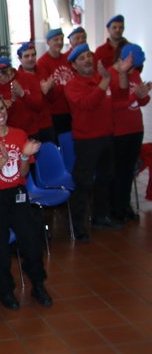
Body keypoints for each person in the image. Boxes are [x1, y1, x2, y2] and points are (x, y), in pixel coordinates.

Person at [0, 89, 52, 310]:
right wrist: (3, 160)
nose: (0, 115)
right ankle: (5, 290)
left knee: (31, 240)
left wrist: (24, 155)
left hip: (17, 193)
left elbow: (23, 173)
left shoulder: (19, 134)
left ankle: (38, 284)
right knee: (0, 246)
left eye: (2, 109)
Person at [65, 44, 123, 241]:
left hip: (106, 136)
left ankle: (100, 217)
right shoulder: (72, 85)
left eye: (88, 56)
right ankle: (78, 228)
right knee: (84, 183)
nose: (88, 60)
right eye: (81, 58)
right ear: (74, 65)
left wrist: (111, 78)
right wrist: (105, 81)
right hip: (87, 140)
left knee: (105, 178)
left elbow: (119, 97)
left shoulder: (101, 78)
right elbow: (88, 104)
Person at [110, 44, 150, 222]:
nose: (133, 71)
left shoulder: (134, 74)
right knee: (118, 171)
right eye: (132, 66)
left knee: (128, 171)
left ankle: (125, 205)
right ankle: (116, 208)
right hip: (119, 131)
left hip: (136, 129)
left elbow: (142, 101)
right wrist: (135, 96)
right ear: (122, 59)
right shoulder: (111, 75)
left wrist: (144, 94)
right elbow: (114, 106)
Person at [16, 42, 57, 143]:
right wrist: (42, 92)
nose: (31, 58)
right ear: (20, 59)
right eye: (26, 56)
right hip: (28, 129)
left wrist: (50, 89)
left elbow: (52, 100)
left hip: (46, 124)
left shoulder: (43, 72)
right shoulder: (16, 79)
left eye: (33, 55)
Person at [36, 28, 74, 136]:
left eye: (61, 39)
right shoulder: (42, 62)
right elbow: (45, 89)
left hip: (70, 109)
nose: (60, 42)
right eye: (56, 39)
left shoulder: (67, 59)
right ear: (48, 42)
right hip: (54, 112)